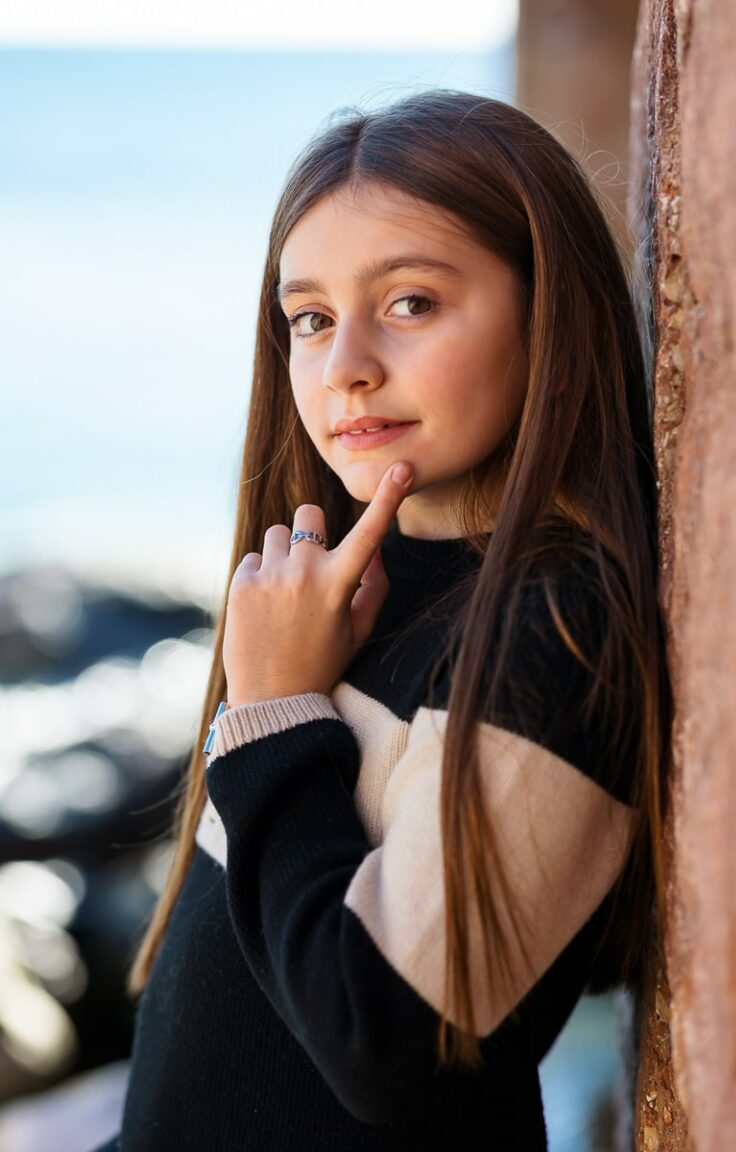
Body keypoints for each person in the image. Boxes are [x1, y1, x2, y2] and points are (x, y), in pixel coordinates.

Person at [94, 88, 671, 1150]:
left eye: (410, 302)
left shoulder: (554, 631)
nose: (344, 362)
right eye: (309, 317)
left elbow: (388, 1047)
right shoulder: (349, 582)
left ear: (549, 307)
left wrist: (273, 711)